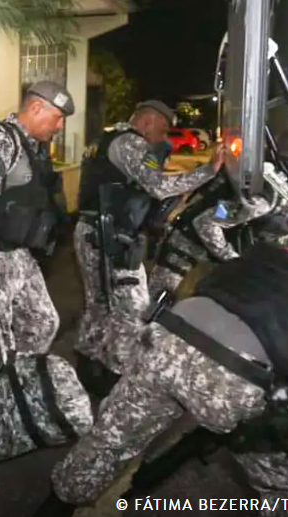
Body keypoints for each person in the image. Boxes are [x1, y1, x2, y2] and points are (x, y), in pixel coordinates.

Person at [36, 243, 288, 517]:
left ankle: (56, 506)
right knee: (284, 485)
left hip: (167, 338)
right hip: (230, 378)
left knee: (110, 439)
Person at [73, 100, 226, 395]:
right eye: (162, 129)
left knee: (99, 304)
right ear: (146, 122)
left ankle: (87, 368)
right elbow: (156, 186)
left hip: (92, 231)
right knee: (133, 308)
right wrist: (208, 171)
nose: (164, 137)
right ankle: (117, 377)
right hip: (109, 237)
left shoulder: (106, 140)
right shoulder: (131, 143)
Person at [0, 81, 72, 402]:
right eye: (57, 117)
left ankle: (9, 389)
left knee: (43, 322)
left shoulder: (31, 146)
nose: (60, 126)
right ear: (36, 108)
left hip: (18, 254)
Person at [149, 173, 276, 298]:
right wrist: (232, 259)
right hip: (188, 247)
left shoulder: (276, 195)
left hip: (209, 259)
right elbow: (205, 222)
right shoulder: (259, 200)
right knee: (156, 298)